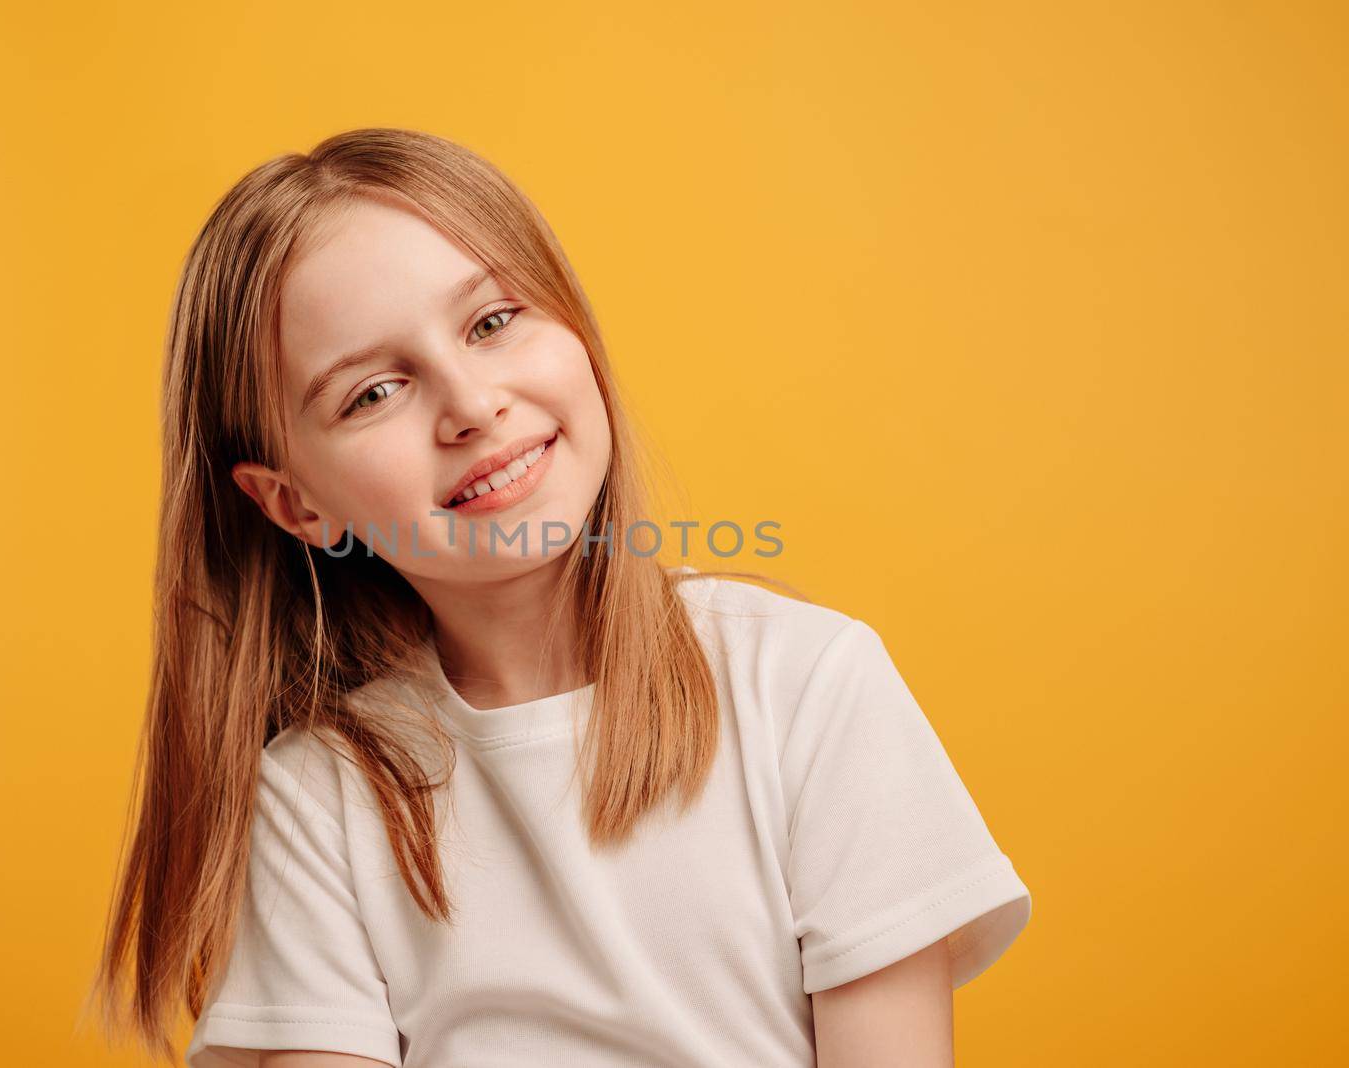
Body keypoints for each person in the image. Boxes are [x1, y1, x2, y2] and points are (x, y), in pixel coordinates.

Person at [87, 127, 1032, 1068]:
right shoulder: (318, 799)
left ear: (575, 326)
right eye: (374, 392)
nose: (470, 405)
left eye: (492, 323)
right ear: (296, 504)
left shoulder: (807, 687)